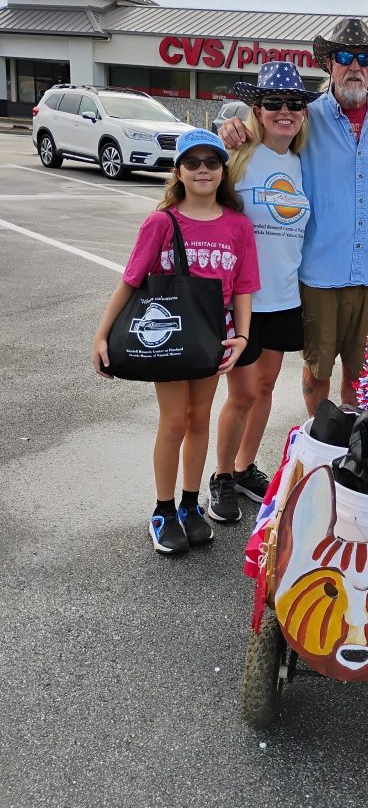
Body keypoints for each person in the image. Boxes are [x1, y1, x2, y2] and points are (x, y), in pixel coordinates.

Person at [220, 18, 368, 416]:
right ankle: (322, 439)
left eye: (364, 59)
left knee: (363, 375)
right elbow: (267, 136)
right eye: (345, 57)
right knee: (316, 371)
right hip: (321, 272)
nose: (354, 67)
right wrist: (232, 129)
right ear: (329, 64)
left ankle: (353, 444)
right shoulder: (307, 114)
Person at [92, 130, 260, 555]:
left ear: (223, 170)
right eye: (193, 162)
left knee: (200, 419)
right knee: (174, 421)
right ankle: (163, 510)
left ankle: (189, 504)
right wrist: (101, 334)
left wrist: (241, 337)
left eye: (212, 162)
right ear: (178, 171)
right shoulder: (161, 222)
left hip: (212, 339)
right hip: (167, 338)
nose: (203, 170)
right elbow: (131, 280)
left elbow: (243, 288)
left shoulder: (238, 225)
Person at [208, 62, 320, 521]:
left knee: (266, 387)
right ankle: (221, 477)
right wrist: (222, 129)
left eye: (294, 103)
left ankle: (243, 468)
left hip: (285, 297)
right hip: (242, 302)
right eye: (273, 102)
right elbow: (196, 189)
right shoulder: (236, 157)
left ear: (304, 113)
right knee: (241, 393)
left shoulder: (303, 163)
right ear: (257, 110)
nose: (284, 111)